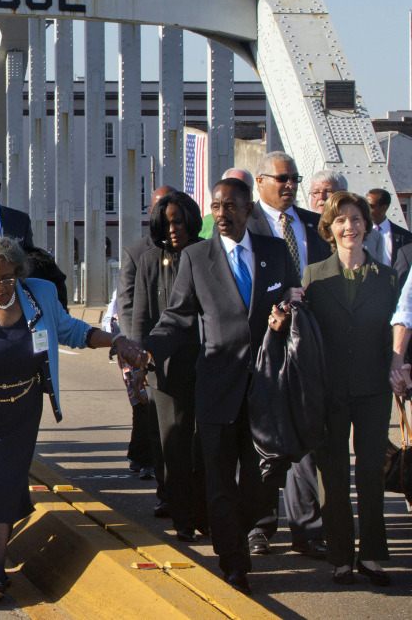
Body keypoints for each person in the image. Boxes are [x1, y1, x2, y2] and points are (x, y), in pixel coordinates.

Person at [0, 236, 142, 600]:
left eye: (7, 278)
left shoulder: (40, 295)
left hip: (23, 411)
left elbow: (72, 331)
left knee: (9, 484)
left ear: (19, 272)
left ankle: (0, 552)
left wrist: (115, 340)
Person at [145, 177, 298, 594]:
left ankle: (241, 532)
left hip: (266, 388)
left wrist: (287, 311)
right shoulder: (197, 257)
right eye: (216, 207)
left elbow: (291, 298)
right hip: (217, 387)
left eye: (231, 207)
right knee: (218, 480)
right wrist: (147, 351)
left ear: (248, 210)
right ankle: (233, 561)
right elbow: (177, 317)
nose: (222, 214)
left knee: (259, 483)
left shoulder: (274, 252)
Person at [302, 192, 397, 586]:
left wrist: (400, 367)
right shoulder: (313, 277)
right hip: (330, 389)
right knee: (334, 474)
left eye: (356, 219)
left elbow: (398, 331)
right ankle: (341, 556)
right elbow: (302, 332)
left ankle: (372, 556)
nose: (349, 227)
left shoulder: (389, 278)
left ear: (366, 226)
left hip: (374, 388)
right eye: (340, 220)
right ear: (328, 228)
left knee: (371, 470)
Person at [247, 151, 328, 560]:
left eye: (294, 178)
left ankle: (307, 528)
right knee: (265, 438)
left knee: (307, 432)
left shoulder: (315, 225)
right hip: (267, 346)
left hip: (311, 344)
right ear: (260, 181)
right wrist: (277, 302)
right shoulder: (248, 225)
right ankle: (261, 526)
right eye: (281, 178)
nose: (289, 185)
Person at [120, 190, 206, 542]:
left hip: (204, 362)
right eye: (167, 223)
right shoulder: (150, 261)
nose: (174, 230)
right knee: (172, 445)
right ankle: (181, 514)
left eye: (179, 221)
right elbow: (140, 316)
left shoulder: (206, 254)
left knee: (202, 444)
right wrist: (138, 363)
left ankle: (203, 511)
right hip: (163, 366)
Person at [115, 185, 177, 489]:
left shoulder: (191, 248)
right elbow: (126, 303)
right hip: (140, 342)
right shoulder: (136, 252)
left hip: (177, 344)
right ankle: (143, 457)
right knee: (142, 402)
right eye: (158, 207)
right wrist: (132, 345)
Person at [199, 168, 254, 239]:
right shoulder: (207, 223)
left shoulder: (265, 220)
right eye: (231, 187)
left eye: (244, 188)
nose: (221, 214)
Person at [364, 188, 411, 267]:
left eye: (370, 206)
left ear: (383, 208)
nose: (366, 210)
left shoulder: (405, 237)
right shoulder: (359, 233)